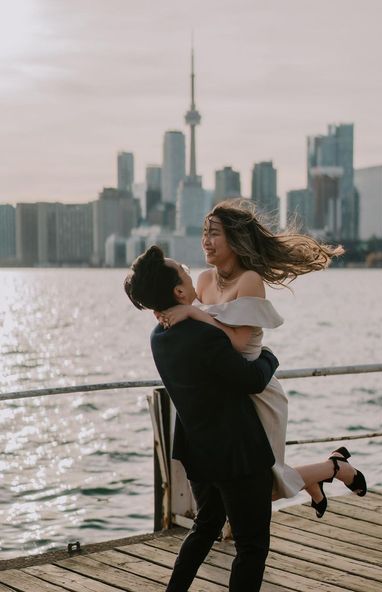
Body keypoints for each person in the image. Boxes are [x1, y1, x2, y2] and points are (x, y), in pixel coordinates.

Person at [159, 199, 367, 518]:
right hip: (232, 395)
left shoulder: (250, 281)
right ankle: (326, 472)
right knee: (256, 487)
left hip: (260, 392)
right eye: (203, 232)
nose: (205, 240)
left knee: (259, 488)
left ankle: (333, 468)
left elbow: (239, 342)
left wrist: (192, 312)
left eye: (213, 233)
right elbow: (199, 339)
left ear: (234, 239)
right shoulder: (202, 281)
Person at [124, 245, 280, 592]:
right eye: (181, 268)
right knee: (252, 546)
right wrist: (270, 356)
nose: (187, 267)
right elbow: (252, 379)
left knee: (206, 526)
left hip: (198, 450)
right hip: (235, 455)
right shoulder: (204, 336)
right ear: (179, 291)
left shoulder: (159, 336)